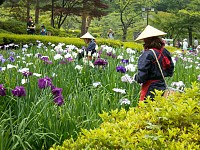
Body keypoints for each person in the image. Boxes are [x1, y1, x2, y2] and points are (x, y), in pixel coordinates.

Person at [134, 25, 174, 101]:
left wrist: (136, 77)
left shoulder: (147, 54)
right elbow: (170, 71)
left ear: (146, 40)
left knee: (146, 109)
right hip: (162, 85)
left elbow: (142, 77)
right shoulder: (165, 52)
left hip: (150, 88)